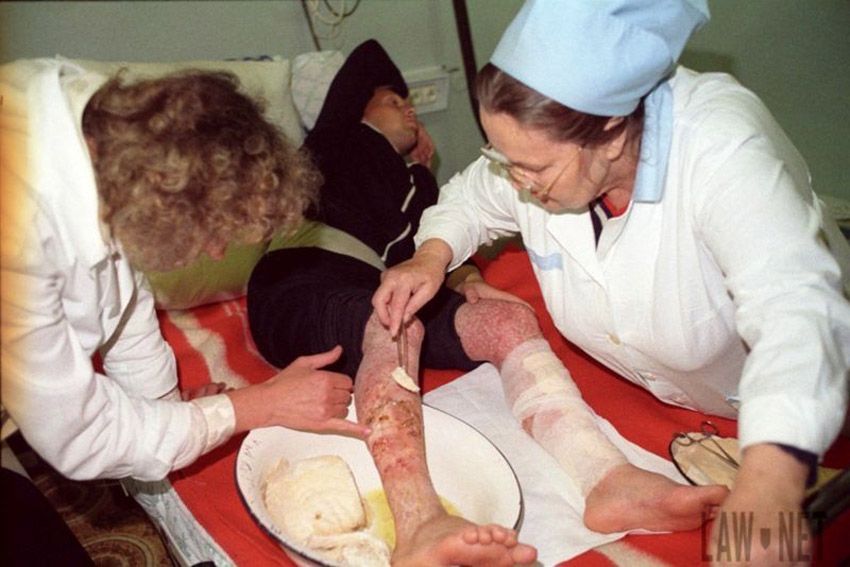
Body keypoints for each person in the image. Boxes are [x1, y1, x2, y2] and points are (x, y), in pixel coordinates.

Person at [373, 0, 850, 564]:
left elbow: (795, 311)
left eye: (536, 169)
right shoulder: (532, 160)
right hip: (663, 400)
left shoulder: (720, 146)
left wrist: (770, 484)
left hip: (795, 412)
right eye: (504, 159)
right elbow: (473, 195)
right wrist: (432, 254)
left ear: (612, 131)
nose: (519, 184)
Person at [248, 39, 725, 565]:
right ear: (353, 110)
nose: (408, 108)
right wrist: (400, 156)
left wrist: (468, 273)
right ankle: (420, 523)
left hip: (369, 290)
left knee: (507, 319)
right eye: (390, 100)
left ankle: (606, 478)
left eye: (409, 101)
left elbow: (432, 244)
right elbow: (403, 232)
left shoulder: (409, 177)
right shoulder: (341, 143)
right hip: (298, 290)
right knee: (397, 323)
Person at [0, 59, 369, 491]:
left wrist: (169, 410)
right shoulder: (22, 231)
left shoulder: (107, 141)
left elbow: (125, 310)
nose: (214, 253)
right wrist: (256, 405)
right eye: (216, 235)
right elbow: (84, 436)